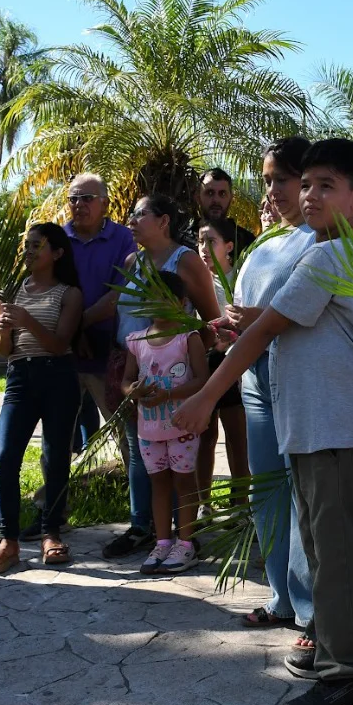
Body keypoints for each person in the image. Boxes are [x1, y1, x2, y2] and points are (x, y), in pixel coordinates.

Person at [175, 138, 353, 705]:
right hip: (319, 421)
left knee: (334, 549)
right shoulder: (339, 252)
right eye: (308, 183)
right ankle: (329, 652)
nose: (311, 195)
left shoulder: (327, 257)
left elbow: (264, 331)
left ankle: (349, 677)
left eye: (327, 186)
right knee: (320, 543)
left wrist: (205, 395)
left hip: (333, 422)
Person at [223, 137, 315, 634]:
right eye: (266, 181)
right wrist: (231, 326)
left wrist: (262, 320)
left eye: (281, 178)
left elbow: (316, 317)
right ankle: (280, 597)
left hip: (294, 374)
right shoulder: (265, 244)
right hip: (254, 378)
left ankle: (309, 612)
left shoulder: (320, 241)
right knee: (266, 492)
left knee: (301, 494)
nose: (273, 190)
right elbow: (248, 309)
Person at [102, 194, 221, 559]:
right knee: (142, 455)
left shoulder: (184, 260)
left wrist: (192, 365)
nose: (131, 221)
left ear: (164, 220)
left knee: (179, 462)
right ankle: (147, 530)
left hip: (179, 371)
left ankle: (184, 535)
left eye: (139, 214)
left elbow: (211, 320)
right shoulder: (131, 262)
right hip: (134, 367)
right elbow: (114, 310)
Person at [18, 174, 134, 542]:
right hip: (62, 355)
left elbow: (120, 292)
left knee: (127, 435)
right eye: (73, 198)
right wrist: (71, 333)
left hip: (109, 353)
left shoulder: (123, 239)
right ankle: (50, 513)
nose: (79, 205)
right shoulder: (57, 239)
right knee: (56, 439)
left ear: (105, 202)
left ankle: (142, 517)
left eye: (87, 198)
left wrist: (77, 324)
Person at [0, 224, 84, 574]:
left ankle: (50, 533)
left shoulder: (69, 293)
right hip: (20, 378)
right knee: (5, 457)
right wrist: (5, 332)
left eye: (36, 245)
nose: (28, 251)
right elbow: (3, 351)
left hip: (58, 376)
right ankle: (8, 541)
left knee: (57, 458)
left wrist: (25, 320)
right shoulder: (11, 291)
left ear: (56, 253)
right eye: (26, 245)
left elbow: (58, 344)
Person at [124, 270, 209, 574]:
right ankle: (162, 542)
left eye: (165, 298)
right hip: (149, 429)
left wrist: (169, 394)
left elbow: (202, 380)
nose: (156, 305)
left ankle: (186, 545)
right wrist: (133, 391)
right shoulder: (136, 341)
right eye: (150, 299)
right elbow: (126, 381)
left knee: (184, 483)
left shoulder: (189, 339)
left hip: (183, 426)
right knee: (158, 484)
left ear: (182, 303)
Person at [195, 217, 255, 515]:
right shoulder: (196, 280)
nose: (202, 248)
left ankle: (240, 503)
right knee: (204, 434)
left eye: (210, 241)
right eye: (199, 241)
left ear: (229, 247)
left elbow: (249, 322)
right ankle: (202, 503)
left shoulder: (241, 278)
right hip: (203, 360)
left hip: (234, 360)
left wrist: (230, 337)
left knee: (236, 435)